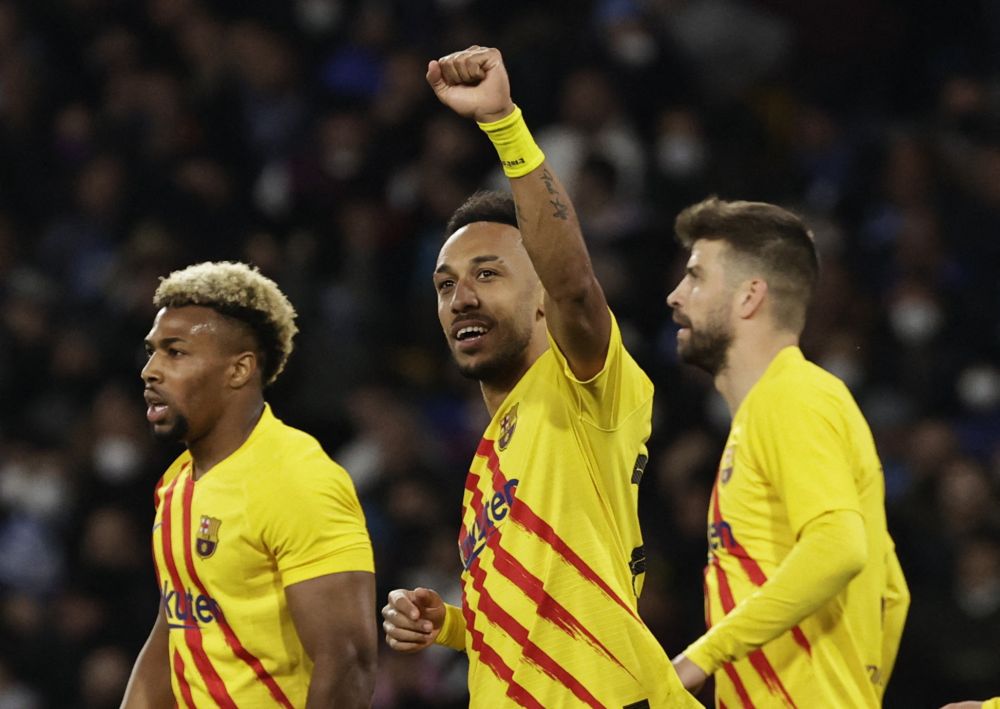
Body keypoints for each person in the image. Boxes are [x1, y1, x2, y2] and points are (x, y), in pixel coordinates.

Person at [381, 46, 699, 708]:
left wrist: (504, 125)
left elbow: (575, 285)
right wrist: (447, 624)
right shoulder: (485, 468)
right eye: (446, 285)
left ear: (540, 299)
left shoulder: (583, 384)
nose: (461, 297)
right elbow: (532, 622)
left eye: (487, 274)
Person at [665, 198, 910, 706]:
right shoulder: (772, 409)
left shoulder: (791, 397)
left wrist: (702, 657)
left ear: (749, 296)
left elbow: (838, 546)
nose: (675, 295)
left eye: (696, 277)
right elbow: (893, 592)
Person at [121, 261, 376, 707]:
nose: (150, 370)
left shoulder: (297, 478)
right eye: (151, 351)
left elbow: (347, 661)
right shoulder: (175, 483)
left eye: (175, 352)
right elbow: (176, 628)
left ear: (239, 370)